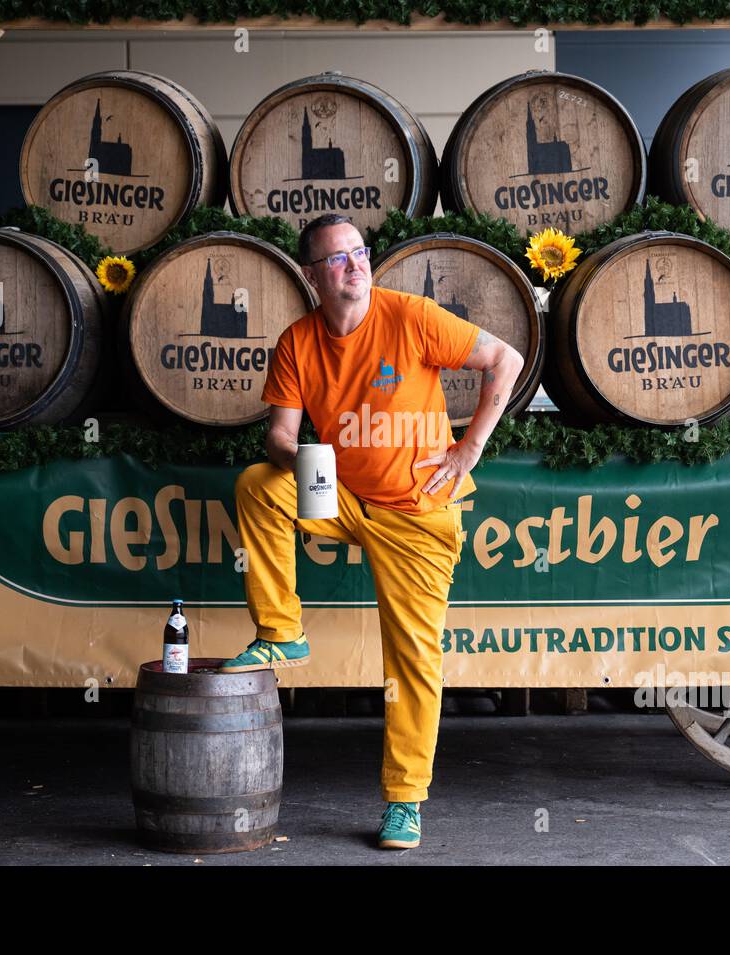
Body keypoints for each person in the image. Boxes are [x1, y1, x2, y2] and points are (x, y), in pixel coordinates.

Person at [221, 212, 524, 850]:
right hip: (344, 496)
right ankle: (282, 634)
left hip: (418, 511)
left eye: (360, 252)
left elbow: (505, 358)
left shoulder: (410, 316)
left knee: (413, 660)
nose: (356, 264)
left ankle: (405, 802)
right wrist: (298, 459)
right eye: (338, 258)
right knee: (258, 485)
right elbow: (279, 432)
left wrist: (468, 450)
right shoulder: (297, 342)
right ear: (312, 275)